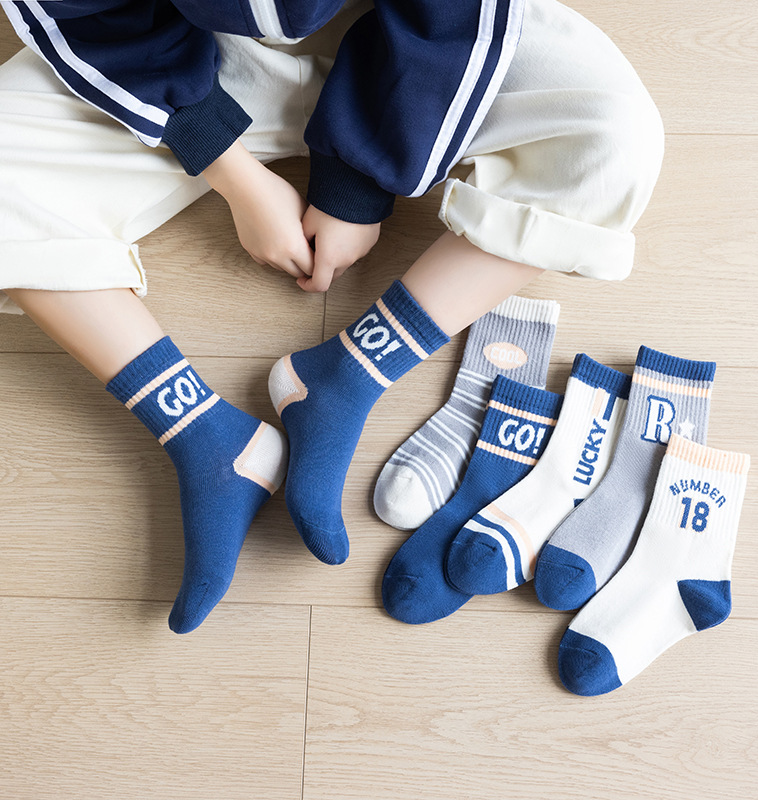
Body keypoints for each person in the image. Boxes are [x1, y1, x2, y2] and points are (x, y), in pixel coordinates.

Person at [0, 0, 664, 632]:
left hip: (418, 56)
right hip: (184, 58)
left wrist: (355, 186)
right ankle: (208, 439)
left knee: (614, 140)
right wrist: (231, 172)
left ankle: (348, 373)